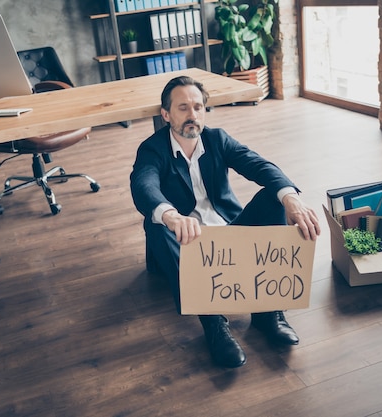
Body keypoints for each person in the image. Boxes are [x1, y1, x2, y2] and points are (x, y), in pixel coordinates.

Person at [130, 76, 320, 368]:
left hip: (229, 230)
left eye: (198, 107)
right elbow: (144, 185)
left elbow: (258, 164)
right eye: (183, 108)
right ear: (166, 115)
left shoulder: (217, 139)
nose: (192, 115)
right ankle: (214, 323)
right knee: (156, 222)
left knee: (274, 197)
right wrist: (170, 215)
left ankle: (268, 312)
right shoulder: (152, 149)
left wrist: (290, 197)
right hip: (186, 240)